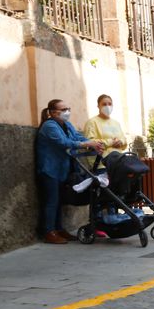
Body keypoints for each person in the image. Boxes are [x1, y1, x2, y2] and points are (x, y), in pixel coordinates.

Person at [36, 99, 105, 244]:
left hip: (62, 169)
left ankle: (59, 229)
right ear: (53, 112)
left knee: (59, 201)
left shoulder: (66, 124)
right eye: (63, 109)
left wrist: (93, 143)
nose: (67, 112)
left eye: (68, 108)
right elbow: (64, 143)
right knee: (51, 201)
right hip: (49, 169)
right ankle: (49, 232)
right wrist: (87, 144)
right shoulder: (49, 126)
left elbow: (76, 137)